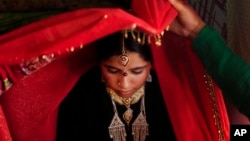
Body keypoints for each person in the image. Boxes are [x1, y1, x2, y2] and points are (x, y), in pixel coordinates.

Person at [0, 0, 249, 141]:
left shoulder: (166, 98)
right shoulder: (82, 95)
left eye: (137, 71)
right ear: (99, 67)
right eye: (113, 70)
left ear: (151, 67)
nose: (125, 82)